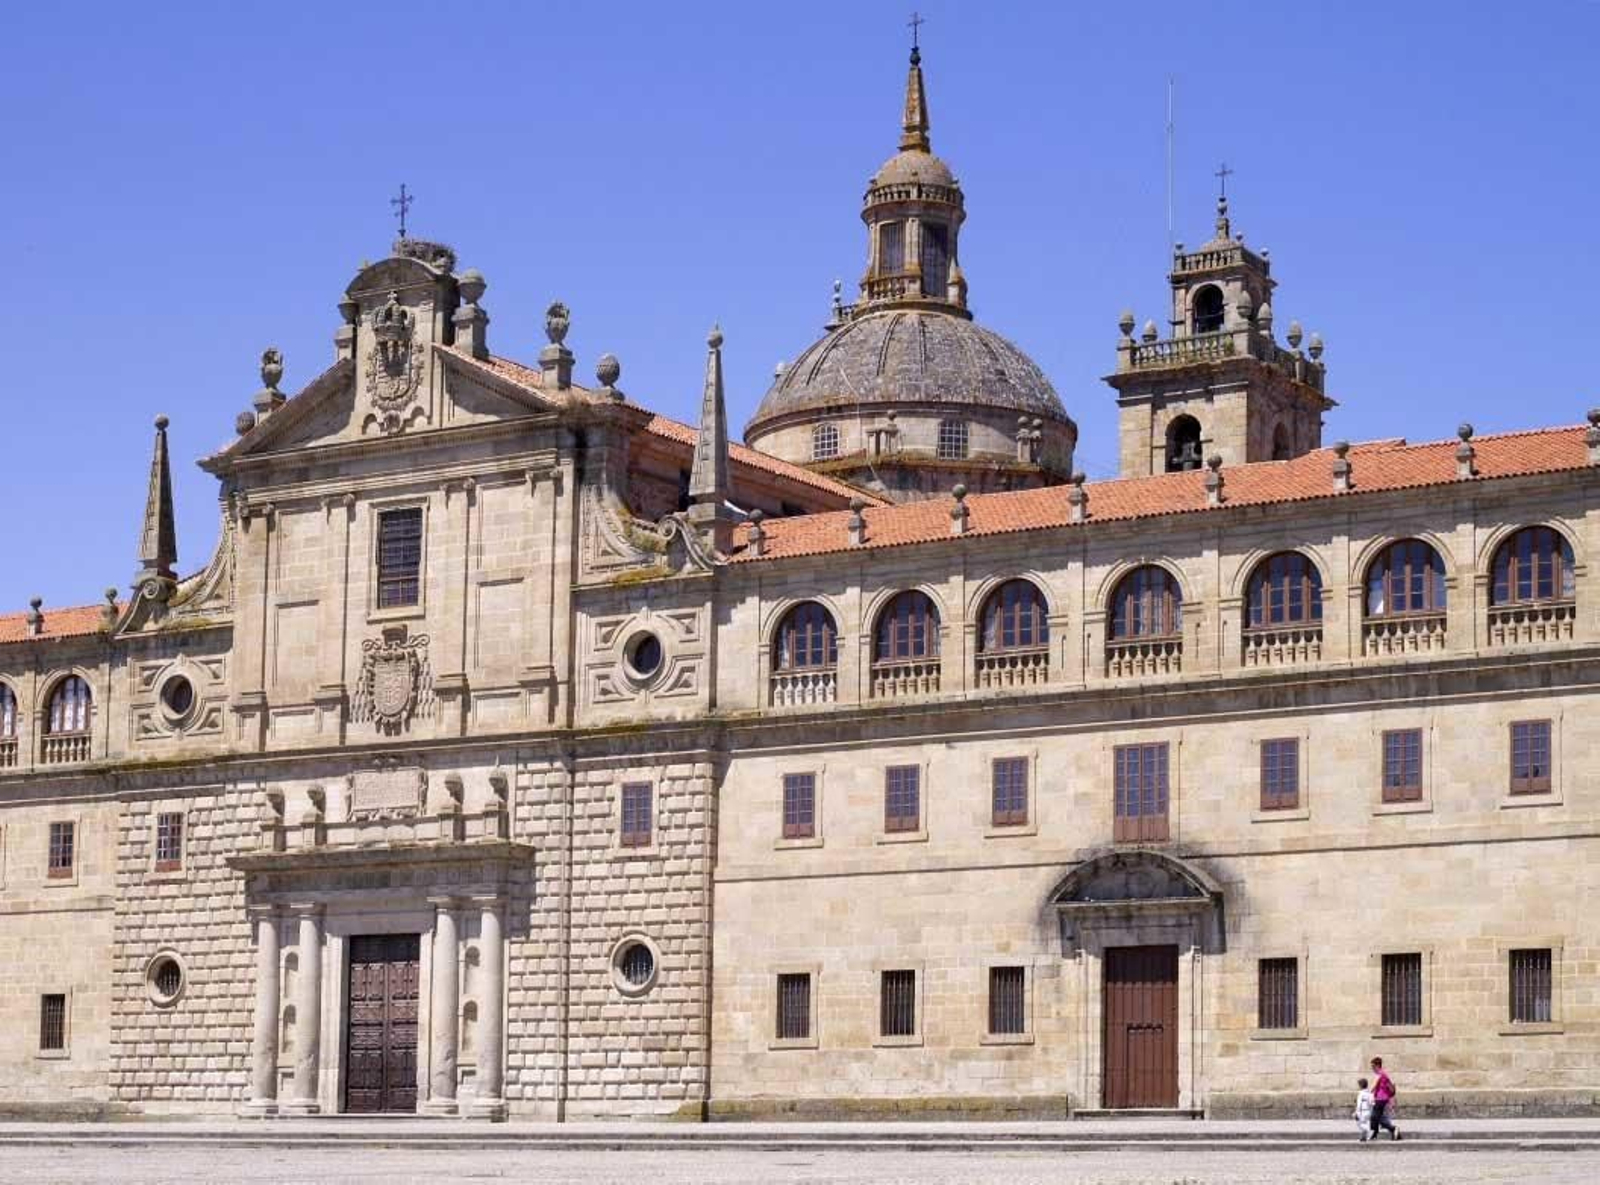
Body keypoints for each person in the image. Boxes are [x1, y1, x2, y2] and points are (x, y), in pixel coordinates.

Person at [1369, 1056, 1401, 1140]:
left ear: (1377, 1066)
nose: (1372, 1069)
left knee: (1374, 1117)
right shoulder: (1384, 1074)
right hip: (1382, 1098)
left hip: (1381, 1099)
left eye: (1373, 1066)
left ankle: (1392, 1129)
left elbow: (1374, 1086)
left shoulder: (1380, 1074)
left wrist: (1366, 1093)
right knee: (1377, 1117)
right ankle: (1375, 1134)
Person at [1353, 1076, 1375, 1142]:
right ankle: (1363, 1137)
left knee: (1360, 1123)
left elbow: (1359, 1104)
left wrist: (1356, 1112)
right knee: (1366, 1123)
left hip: (1362, 1111)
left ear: (1360, 1086)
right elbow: (1372, 1102)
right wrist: (1371, 1110)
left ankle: (1369, 1131)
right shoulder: (1370, 1093)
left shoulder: (1361, 1093)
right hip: (1369, 1111)